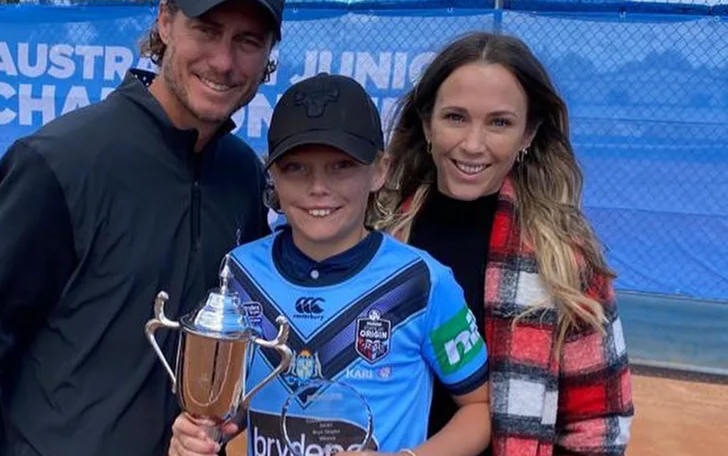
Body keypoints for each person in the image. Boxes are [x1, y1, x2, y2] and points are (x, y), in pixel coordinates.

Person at [0, 0, 285, 456]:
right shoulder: (57, 163)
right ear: (165, 22)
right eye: (206, 30)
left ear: (268, 53)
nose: (224, 61)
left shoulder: (242, 176)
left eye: (248, 41)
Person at [167, 73, 492, 456]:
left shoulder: (423, 281)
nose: (318, 187)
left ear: (379, 170)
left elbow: (479, 409)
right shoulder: (238, 271)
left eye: (341, 165)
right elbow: (229, 411)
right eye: (295, 168)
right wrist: (199, 436)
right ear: (272, 175)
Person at [375, 32, 634, 456]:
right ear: (427, 124)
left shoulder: (564, 258)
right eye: (456, 117)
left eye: (499, 122)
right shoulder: (376, 232)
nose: (473, 144)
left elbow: (599, 424)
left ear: (528, 133)